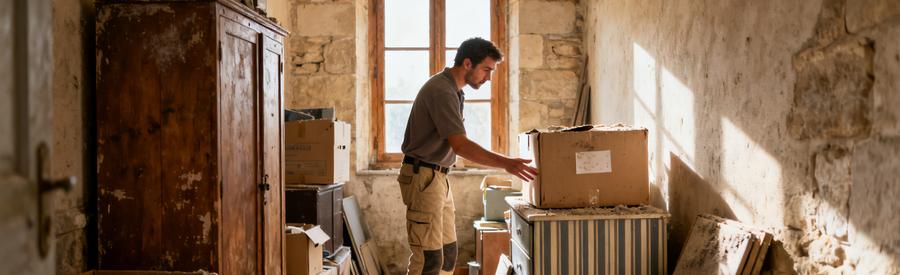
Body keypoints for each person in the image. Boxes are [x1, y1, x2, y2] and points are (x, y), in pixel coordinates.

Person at [396, 37, 539, 275]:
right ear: (467, 63)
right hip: (423, 178)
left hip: (438, 177)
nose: (489, 78)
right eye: (486, 70)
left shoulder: (454, 91)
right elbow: (461, 145)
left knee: (448, 254)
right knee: (428, 260)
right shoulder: (441, 90)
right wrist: (507, 164)